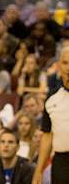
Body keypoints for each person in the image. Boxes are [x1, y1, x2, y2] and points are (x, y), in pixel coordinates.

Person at [32, 46, 69, 184]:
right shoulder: (52, 98)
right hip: (61, 163)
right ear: (59, 65)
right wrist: (39, 170)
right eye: (65, 63)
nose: (68, 68)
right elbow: (47, 136)